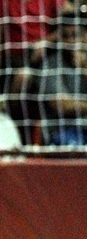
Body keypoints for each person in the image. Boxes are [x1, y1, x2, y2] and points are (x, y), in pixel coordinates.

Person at [38, 12, 87, 146]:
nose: (70, 42)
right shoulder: (49, 65)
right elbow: (62, 106)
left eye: (75, 35)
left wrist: (84, 67)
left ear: (85, 37)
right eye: (65, 36)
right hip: (62, 132)